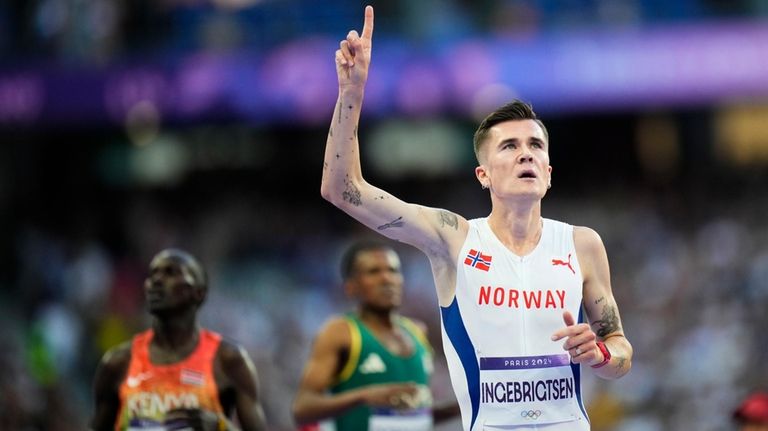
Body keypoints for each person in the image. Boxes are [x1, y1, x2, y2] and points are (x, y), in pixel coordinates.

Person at [320, 5, 633, 430]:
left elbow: (621, 356)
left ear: (549, 172)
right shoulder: (454, 239)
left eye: (536, 146)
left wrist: (601, 354)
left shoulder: (581, 244)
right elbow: (343, 189)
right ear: (482, 175)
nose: (526, 153)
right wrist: (351, 94)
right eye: (509, 146)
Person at [90, 248, 266, 431]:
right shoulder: (118, 363)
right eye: (152, 274)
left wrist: (220, 427)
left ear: (199, 293)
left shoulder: (228, 360)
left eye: (171, 273)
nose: (156, 281)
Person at [292, 241, 460, 430]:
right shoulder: (341, 332)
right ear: (350, 287)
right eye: (373, 272)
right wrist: (364, 396)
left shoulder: (417, 332)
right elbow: (302, 409)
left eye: (393, 270)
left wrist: (460, 407)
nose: (387, 279)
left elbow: (413, 417)